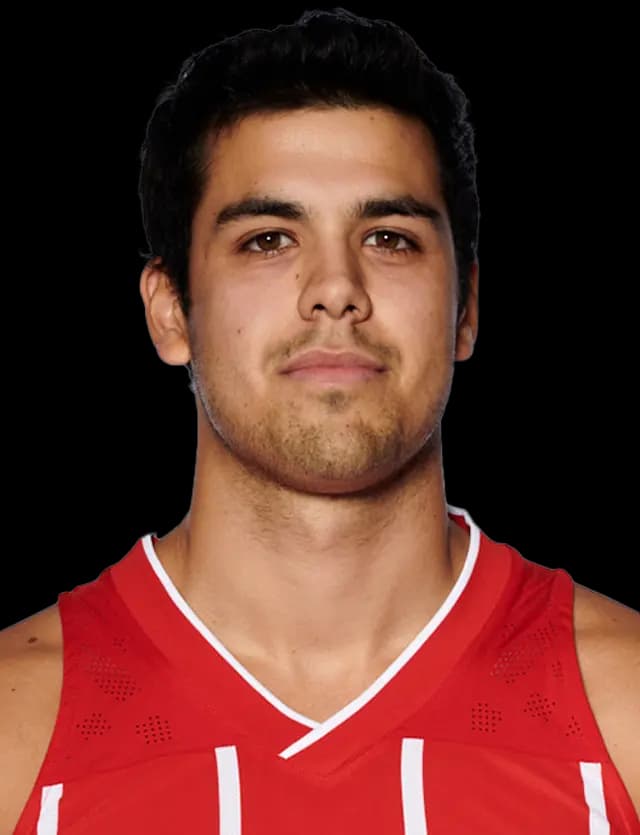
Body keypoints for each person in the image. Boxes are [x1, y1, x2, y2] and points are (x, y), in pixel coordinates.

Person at [2, 7, 638, 833]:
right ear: (170, 312)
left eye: (389, 237)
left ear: (467, 307)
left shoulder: (625, 710)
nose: (336, 288)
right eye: (268, 239)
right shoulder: (16, 733)